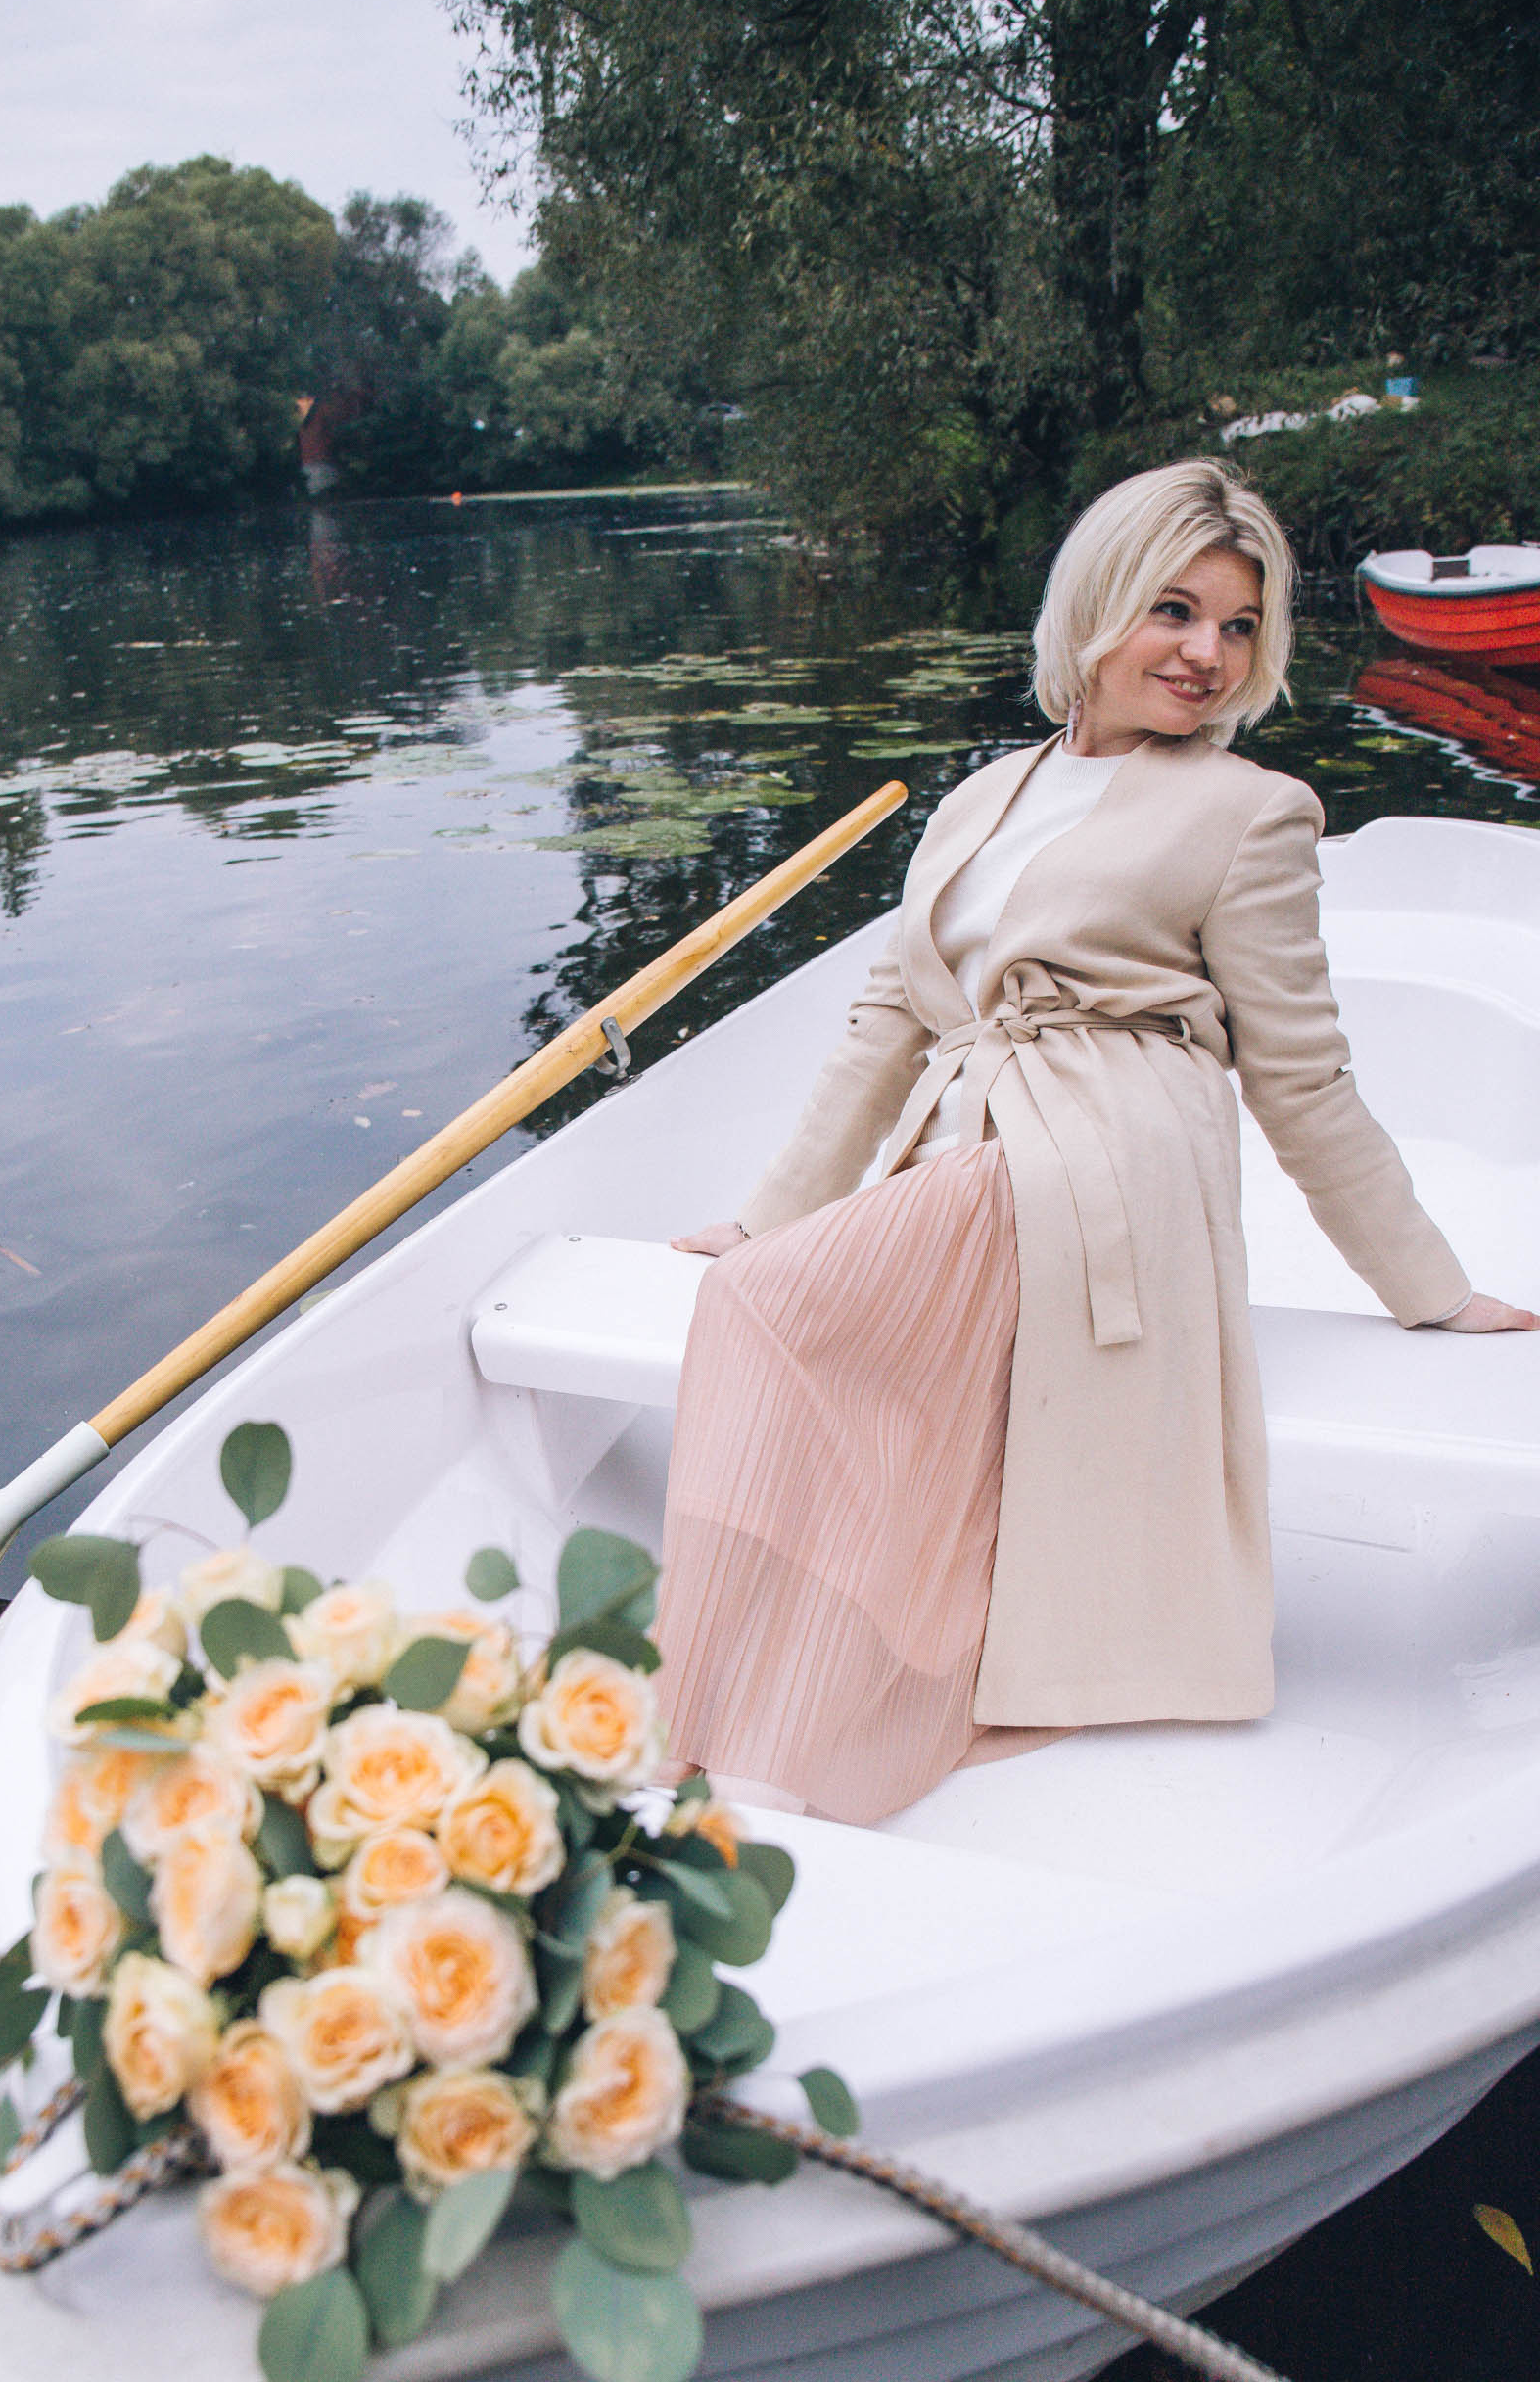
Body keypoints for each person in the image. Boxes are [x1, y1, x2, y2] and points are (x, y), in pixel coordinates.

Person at [653, 460, 1537, 1830]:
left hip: (1113, 1154)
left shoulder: (1252, 813)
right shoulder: (981, 798)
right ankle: (768, 1680)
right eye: (1173, 611)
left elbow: (1303, 1074)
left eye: (1238, 627)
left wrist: (1431, 1287)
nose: (1203, 654)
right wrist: (775, 1208)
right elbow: (890, 1015)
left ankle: (806, 1699)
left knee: (764, 1311)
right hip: (975, 1141)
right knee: (761, 1284)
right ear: (1097, 606)